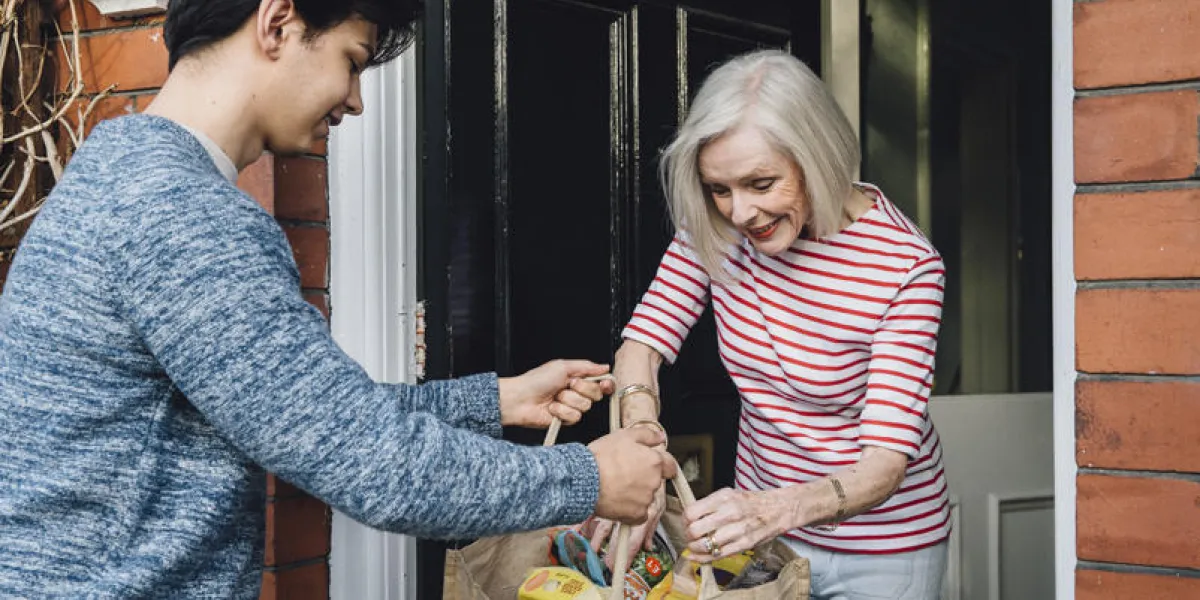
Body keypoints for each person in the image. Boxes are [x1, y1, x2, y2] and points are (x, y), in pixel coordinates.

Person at [0, 0, 676, 597]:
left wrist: (494, 402)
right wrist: (587, 477)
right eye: (352, 61)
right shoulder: (184, 216)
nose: (355, 100)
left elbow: (309, 414)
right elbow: (373, 464)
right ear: (277, 22)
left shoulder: (126, 172)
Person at [584, 49, 950, 599]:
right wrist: (642, 449)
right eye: (719, 188)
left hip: (884, 548)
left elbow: (885, 464)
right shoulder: (717, 229)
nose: (739, 213)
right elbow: (644, 345)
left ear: (818, 156)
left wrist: (773, 510)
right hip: (763, 535)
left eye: (761, 183)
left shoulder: (905, 266)